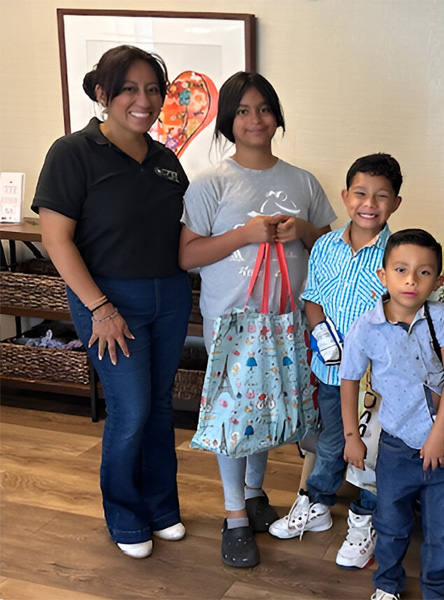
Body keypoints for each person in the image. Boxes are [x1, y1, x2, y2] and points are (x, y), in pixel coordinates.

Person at [32, 46, 192, 559]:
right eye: (128, 88)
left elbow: (181, 235)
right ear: (102, 94)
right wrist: (100, 308)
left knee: (161, 405)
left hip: (168, 294)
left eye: (152, 90)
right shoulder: (73, 152)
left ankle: (162, 507)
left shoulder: (167, 161)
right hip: (106, 298)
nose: (142, 100)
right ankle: (124, 513)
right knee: (131, 408)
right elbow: (56, 240)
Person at [179, 71, 336, 568]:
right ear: (228, 120)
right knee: (233, 416)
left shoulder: (302, 180)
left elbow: (331, 250)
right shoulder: (209, 183)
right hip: (232, 322)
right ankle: (234, 518)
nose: (255, 119)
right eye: (243, 111)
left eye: (264, 108)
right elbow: (187, 256)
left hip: (288, 318)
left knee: (267, 410)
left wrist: (304, 229)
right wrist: (246, 234)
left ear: (277, 115)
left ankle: (253, 494)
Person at [269, 153, 403, 571]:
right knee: (331, 438)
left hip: (377, 378)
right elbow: (312, 300)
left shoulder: (398, 253)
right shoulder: (326, 246)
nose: (369, 203)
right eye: (360, 193)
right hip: (331, 369)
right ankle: (318, 501)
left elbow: (404, 310)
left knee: (376, 450)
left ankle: (368, 517)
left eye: (381, 196)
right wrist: (324, 338)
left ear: (395, 203)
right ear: (345, 197)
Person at [340, 229, 444, 600]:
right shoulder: (366, 327)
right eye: (401, 269)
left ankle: (437, 591)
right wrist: (352, 437)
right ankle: (387, 584)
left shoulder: (442, 319)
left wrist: (438, 436)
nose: (411, 280)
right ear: (383, 276)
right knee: (391, 523)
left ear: (439, 281)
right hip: (396, 448)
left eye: (424, 272)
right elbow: (348, 380)